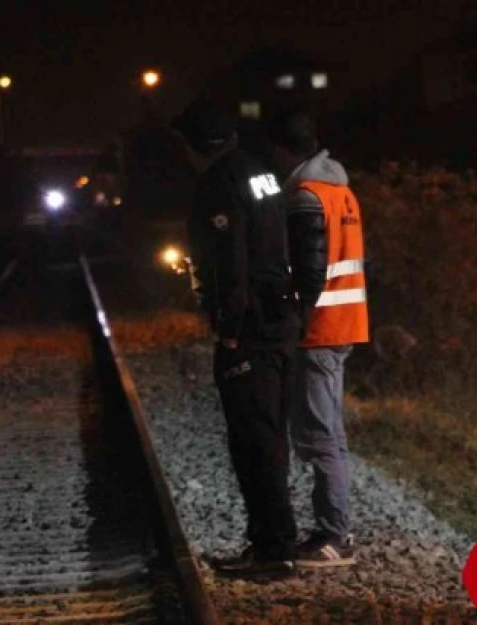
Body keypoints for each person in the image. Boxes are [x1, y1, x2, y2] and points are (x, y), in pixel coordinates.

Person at [171, 100, 300, 579]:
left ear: (195, 144)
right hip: (280, 321)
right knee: (269, 436)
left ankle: (274, 551)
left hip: (251, 330)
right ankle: (272, 542)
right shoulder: (260, 173)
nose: (181, 155)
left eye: (182, 145)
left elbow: (230, 262)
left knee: (254, 441)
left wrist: (228, 331)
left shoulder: (218, 185)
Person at [268, 110, 369, 569]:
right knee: (331, 434)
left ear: (282, 151)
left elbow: (309, 272)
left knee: (320, 436)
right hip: (343, 321)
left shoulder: (306, 196)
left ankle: (333, 536)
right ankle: (336, 529)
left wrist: (291, 321)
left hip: (319, 329)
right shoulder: (340, 190)